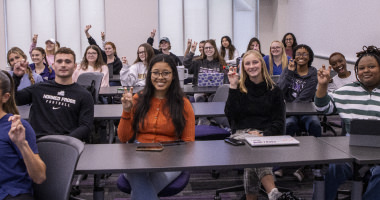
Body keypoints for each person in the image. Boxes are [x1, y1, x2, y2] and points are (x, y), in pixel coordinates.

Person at [118, 54, 195, 200]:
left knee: (139, 183)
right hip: (139, 154)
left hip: (171, 159)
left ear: (173, 76)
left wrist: (166, 158)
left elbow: (188, 144)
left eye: (166, 73)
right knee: (136, 171)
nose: (160, 77)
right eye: (155, 73)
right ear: (149, 75)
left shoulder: (183, 104)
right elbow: (123, 138)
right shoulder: (137, 99)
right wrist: (126, 111)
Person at [225, 50, 298, 200]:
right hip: (241, 134)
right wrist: (232, 87)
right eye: (248, 63)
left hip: (266, 135)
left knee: (254, 155)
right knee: (255, 152)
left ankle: (253, 197)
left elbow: (279, 122)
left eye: (255, 62)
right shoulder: (239, 88)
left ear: (262, 64)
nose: (252, 66)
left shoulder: (275, 90)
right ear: (243, 67)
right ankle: (273, 192)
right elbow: (231, 116)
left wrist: (263, 134)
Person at [315, 45, 380, 200]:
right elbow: (323, 108)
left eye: (371, 66)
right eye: (362, 68)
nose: (366, 71)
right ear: (357, 72)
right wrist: (323, 85)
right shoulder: (346, 91)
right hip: (351, 151)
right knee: (332, 171)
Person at [15, 47, 94, 141]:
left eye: (68, 62)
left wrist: (65, 142)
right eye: (59, 61)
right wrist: (16, 78)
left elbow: (85, 127)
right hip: (38, 143)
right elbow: (16, 99)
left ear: (75, 66)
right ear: (53, 65)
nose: (63, 65)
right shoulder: (39, 88)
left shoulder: (84, 95)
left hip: (67, 145)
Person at [277, 44, 321, 181]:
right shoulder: (287, 70)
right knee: (288, 126)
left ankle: (313, 164)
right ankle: (280, 163)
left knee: (315, 125)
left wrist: (292, 108)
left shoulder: (313, 73)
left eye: (305, 54)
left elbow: (306, 96)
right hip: (289, 112)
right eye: (298, 53)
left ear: (310, 57)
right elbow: (279, 91)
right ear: (294, 56)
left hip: (306, 110)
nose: (301, 56)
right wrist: (290, 72)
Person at [0, 70, 46, 200]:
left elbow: (39, 177)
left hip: (12, 194)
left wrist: (22, 144)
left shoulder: (17, 127)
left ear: (5, 97)